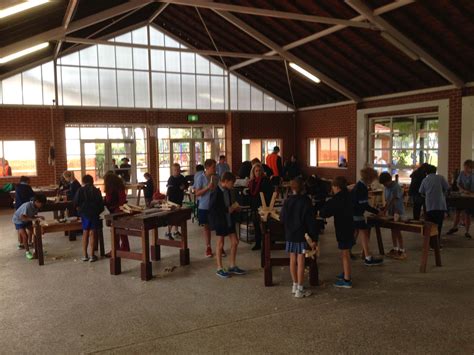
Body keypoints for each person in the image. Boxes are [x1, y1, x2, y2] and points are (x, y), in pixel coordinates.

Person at [280, 177, 319, 298]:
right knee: (301, 260)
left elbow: (282, 218)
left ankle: (295, 284)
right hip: (302, 235)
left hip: (290, 235)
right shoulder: (306, 201)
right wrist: (313, 237)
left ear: (292, 188)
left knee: (292, 259)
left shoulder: (287, 201)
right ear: (303, 188)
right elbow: (310, 221)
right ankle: (300, 289)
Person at [208, 172, 246, 278]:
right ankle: (219, 268)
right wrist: (227, 209)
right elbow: (212, 208)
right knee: (220, 244)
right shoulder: (216, 191)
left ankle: (232, 265)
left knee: (235, 242)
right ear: (226, 181)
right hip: (220, 220)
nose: (233, 185)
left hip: (229, 220)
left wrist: (234, 208)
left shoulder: (228, 190)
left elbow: (229, 204)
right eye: (232, 183)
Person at [320, 177, 355, 288]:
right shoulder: (348, 195)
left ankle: (347, 280)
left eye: (333, 187)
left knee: (345, 253)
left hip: (342, 228)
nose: (332, 189)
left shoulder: (337, 199)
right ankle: (346, 272)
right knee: (346, 252)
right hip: (350, 226)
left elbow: (325, 212)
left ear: (337, 187)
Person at [351, 167, 383, 266]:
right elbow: (364, 205)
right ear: (369, 178)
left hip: (353, 213)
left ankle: (348, 252)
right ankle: (368, 257)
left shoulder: (359, 185)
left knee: (355, 233)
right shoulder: (362, 188)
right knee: (364, 234)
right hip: (357, 214)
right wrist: (376, 211)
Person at [74, 175, 104, 262]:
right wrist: (97, 212)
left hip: (84, 214)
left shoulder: (80, 190)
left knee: (85, 233)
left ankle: (84, 255)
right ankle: (92, 255)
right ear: (92, 181)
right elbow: (101, 205)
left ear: (83, 182)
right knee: (92, 233)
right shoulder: (96, 191)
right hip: (94, 213)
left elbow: (75, 203)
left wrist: (79, 211)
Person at [419, 165, 449, 248]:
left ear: (426, 172)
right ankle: (436, 244)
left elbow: (421, 192)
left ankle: (430, 243)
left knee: (430, 226)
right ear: (435, 171)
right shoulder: (441, 178)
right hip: (440, 205)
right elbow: (447, 187)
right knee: (438, 225)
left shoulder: (425, 180)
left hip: (430, 206)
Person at [194, 159, 219, 257]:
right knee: (207, 227)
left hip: (215, 206)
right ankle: (208, 247)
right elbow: (197, 193)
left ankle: (220, 247)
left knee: (218, 227)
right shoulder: (201, 178)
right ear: (207, 168)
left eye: (215, 167)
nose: (215, 169)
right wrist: (208, 188)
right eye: (213, 167)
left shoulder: (216, 177)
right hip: (204, 206)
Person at [379, 172, 406, 260]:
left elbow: (393, 200)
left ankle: (402, 250)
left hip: (397, 211)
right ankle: (395, 248)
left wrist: (385, 210)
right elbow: (387, 200)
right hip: (391, 211)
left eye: (385, 183)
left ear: (389, 180)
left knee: (397, 231)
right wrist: (384, 208)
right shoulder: (386, 187)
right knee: (393, 230)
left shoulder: (396, 187)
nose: (384, 185)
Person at [12, 194, 46, 260]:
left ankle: (37, 250)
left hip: (26, 220)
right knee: (25, 236)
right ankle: (27, 252)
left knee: (36, 233)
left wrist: (39, 217)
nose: (42, 206)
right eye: (41, 204)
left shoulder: (36, 207)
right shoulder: (27, 206)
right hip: (18, 220)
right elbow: (22, 217)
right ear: (37, 201)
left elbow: (32, 216)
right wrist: (34, 219)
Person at [248, 163, 273, 250]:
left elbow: (270, 193)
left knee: (265, 226)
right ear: (253, 172)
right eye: (256, 171)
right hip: (254, 205)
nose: (258, 172)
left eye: (259, 171)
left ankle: (267, 243)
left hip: (263, 205)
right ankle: (258, 243)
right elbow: (251, 194)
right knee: (256, 225)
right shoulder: (251, 182)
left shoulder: (265, 180)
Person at [447, 159, 473, 239]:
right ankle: (454, 227)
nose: (465, 169)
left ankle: (467, 232)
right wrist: (462, 190)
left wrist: (468, 192)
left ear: (471, 168)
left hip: (470, 196)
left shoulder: (473, 175)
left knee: (467, 214)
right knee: (457, 212)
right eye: (464, 167)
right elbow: (458, 183)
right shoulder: (462, 173)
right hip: (462, 195)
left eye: (466, 167)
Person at [103, 172, 129, 253]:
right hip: (122, 209)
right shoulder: (120, 187)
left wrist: (103, 202)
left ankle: (115, 249)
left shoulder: (111, 190)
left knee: (114, 230)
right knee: (121, 229)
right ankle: (125, 246)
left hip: (115, 211)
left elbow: (110, 201)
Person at [166, 163, 187, 240]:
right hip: (172, 200)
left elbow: (186, 184)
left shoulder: (182, 177)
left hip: (179, 199)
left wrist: (184, 186)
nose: (177, 171)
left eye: (178, 170)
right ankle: (168, 232)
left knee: (178, 216)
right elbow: (170, 189)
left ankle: (176, 231)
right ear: (172, 171)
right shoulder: (171, 179)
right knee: (172, 217)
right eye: (175, 170)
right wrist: (179, 188)